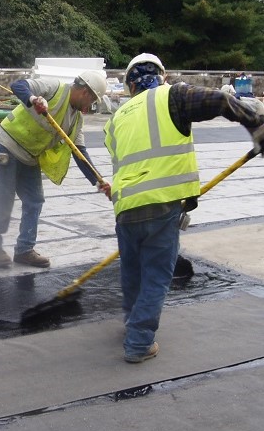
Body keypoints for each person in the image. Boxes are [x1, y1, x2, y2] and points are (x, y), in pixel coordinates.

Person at [102, 53, 264, 363]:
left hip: (125, 208)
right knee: (156, 275)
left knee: (133, 273)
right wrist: (256, 123)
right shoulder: (172, 96)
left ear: (130, 85)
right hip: (162, 205)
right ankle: (139, 343)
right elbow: (220, 100)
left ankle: (132, 322)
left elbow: (124, 164)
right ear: (161, 76)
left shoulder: (115, 119)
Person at [0, 71, 108, 269]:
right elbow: (19, 85)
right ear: (85, 92)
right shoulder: (55, 88)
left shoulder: (76, 120)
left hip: (30, 156)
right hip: (8, 145)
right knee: (4, 197)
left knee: (34, 200)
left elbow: (80, 153)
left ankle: (24, 250)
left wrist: (98, 180)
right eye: (92, 101)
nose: (89, 106)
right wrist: (34, 99)